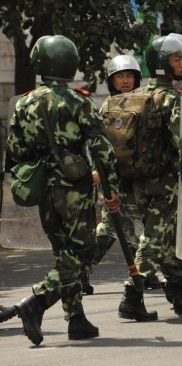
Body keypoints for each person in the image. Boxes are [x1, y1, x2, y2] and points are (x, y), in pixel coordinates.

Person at [8, 35, 121, 345]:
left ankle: (76, 319)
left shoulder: (24, 103)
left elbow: (15, 150)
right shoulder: (79, 101)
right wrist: (110, 189)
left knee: (64, 251)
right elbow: (102, 149)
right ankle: (36, 301)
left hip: (43, 186)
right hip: (73, 186)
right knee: (83, 250)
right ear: (70, 64)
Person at [116, 33, 182, 321]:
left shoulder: (138, 96)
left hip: (138, 180)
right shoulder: (170, 98)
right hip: (163, 181)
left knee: (165, 236)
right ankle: (132, 295)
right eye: (176, 59)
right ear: (161, 64)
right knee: (155, 239)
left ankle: (178, 290)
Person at [83, 54, 163, 295]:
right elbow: (100, 144)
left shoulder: (144, 102)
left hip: (138, 175)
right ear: (111, 80)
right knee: (109, 228)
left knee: (138, 225)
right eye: (120, 77)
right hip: (116, 177)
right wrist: (100, 171)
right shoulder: (107, 107)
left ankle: (143, 272)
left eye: (129, 76)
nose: (125, 81)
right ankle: (78, 271)